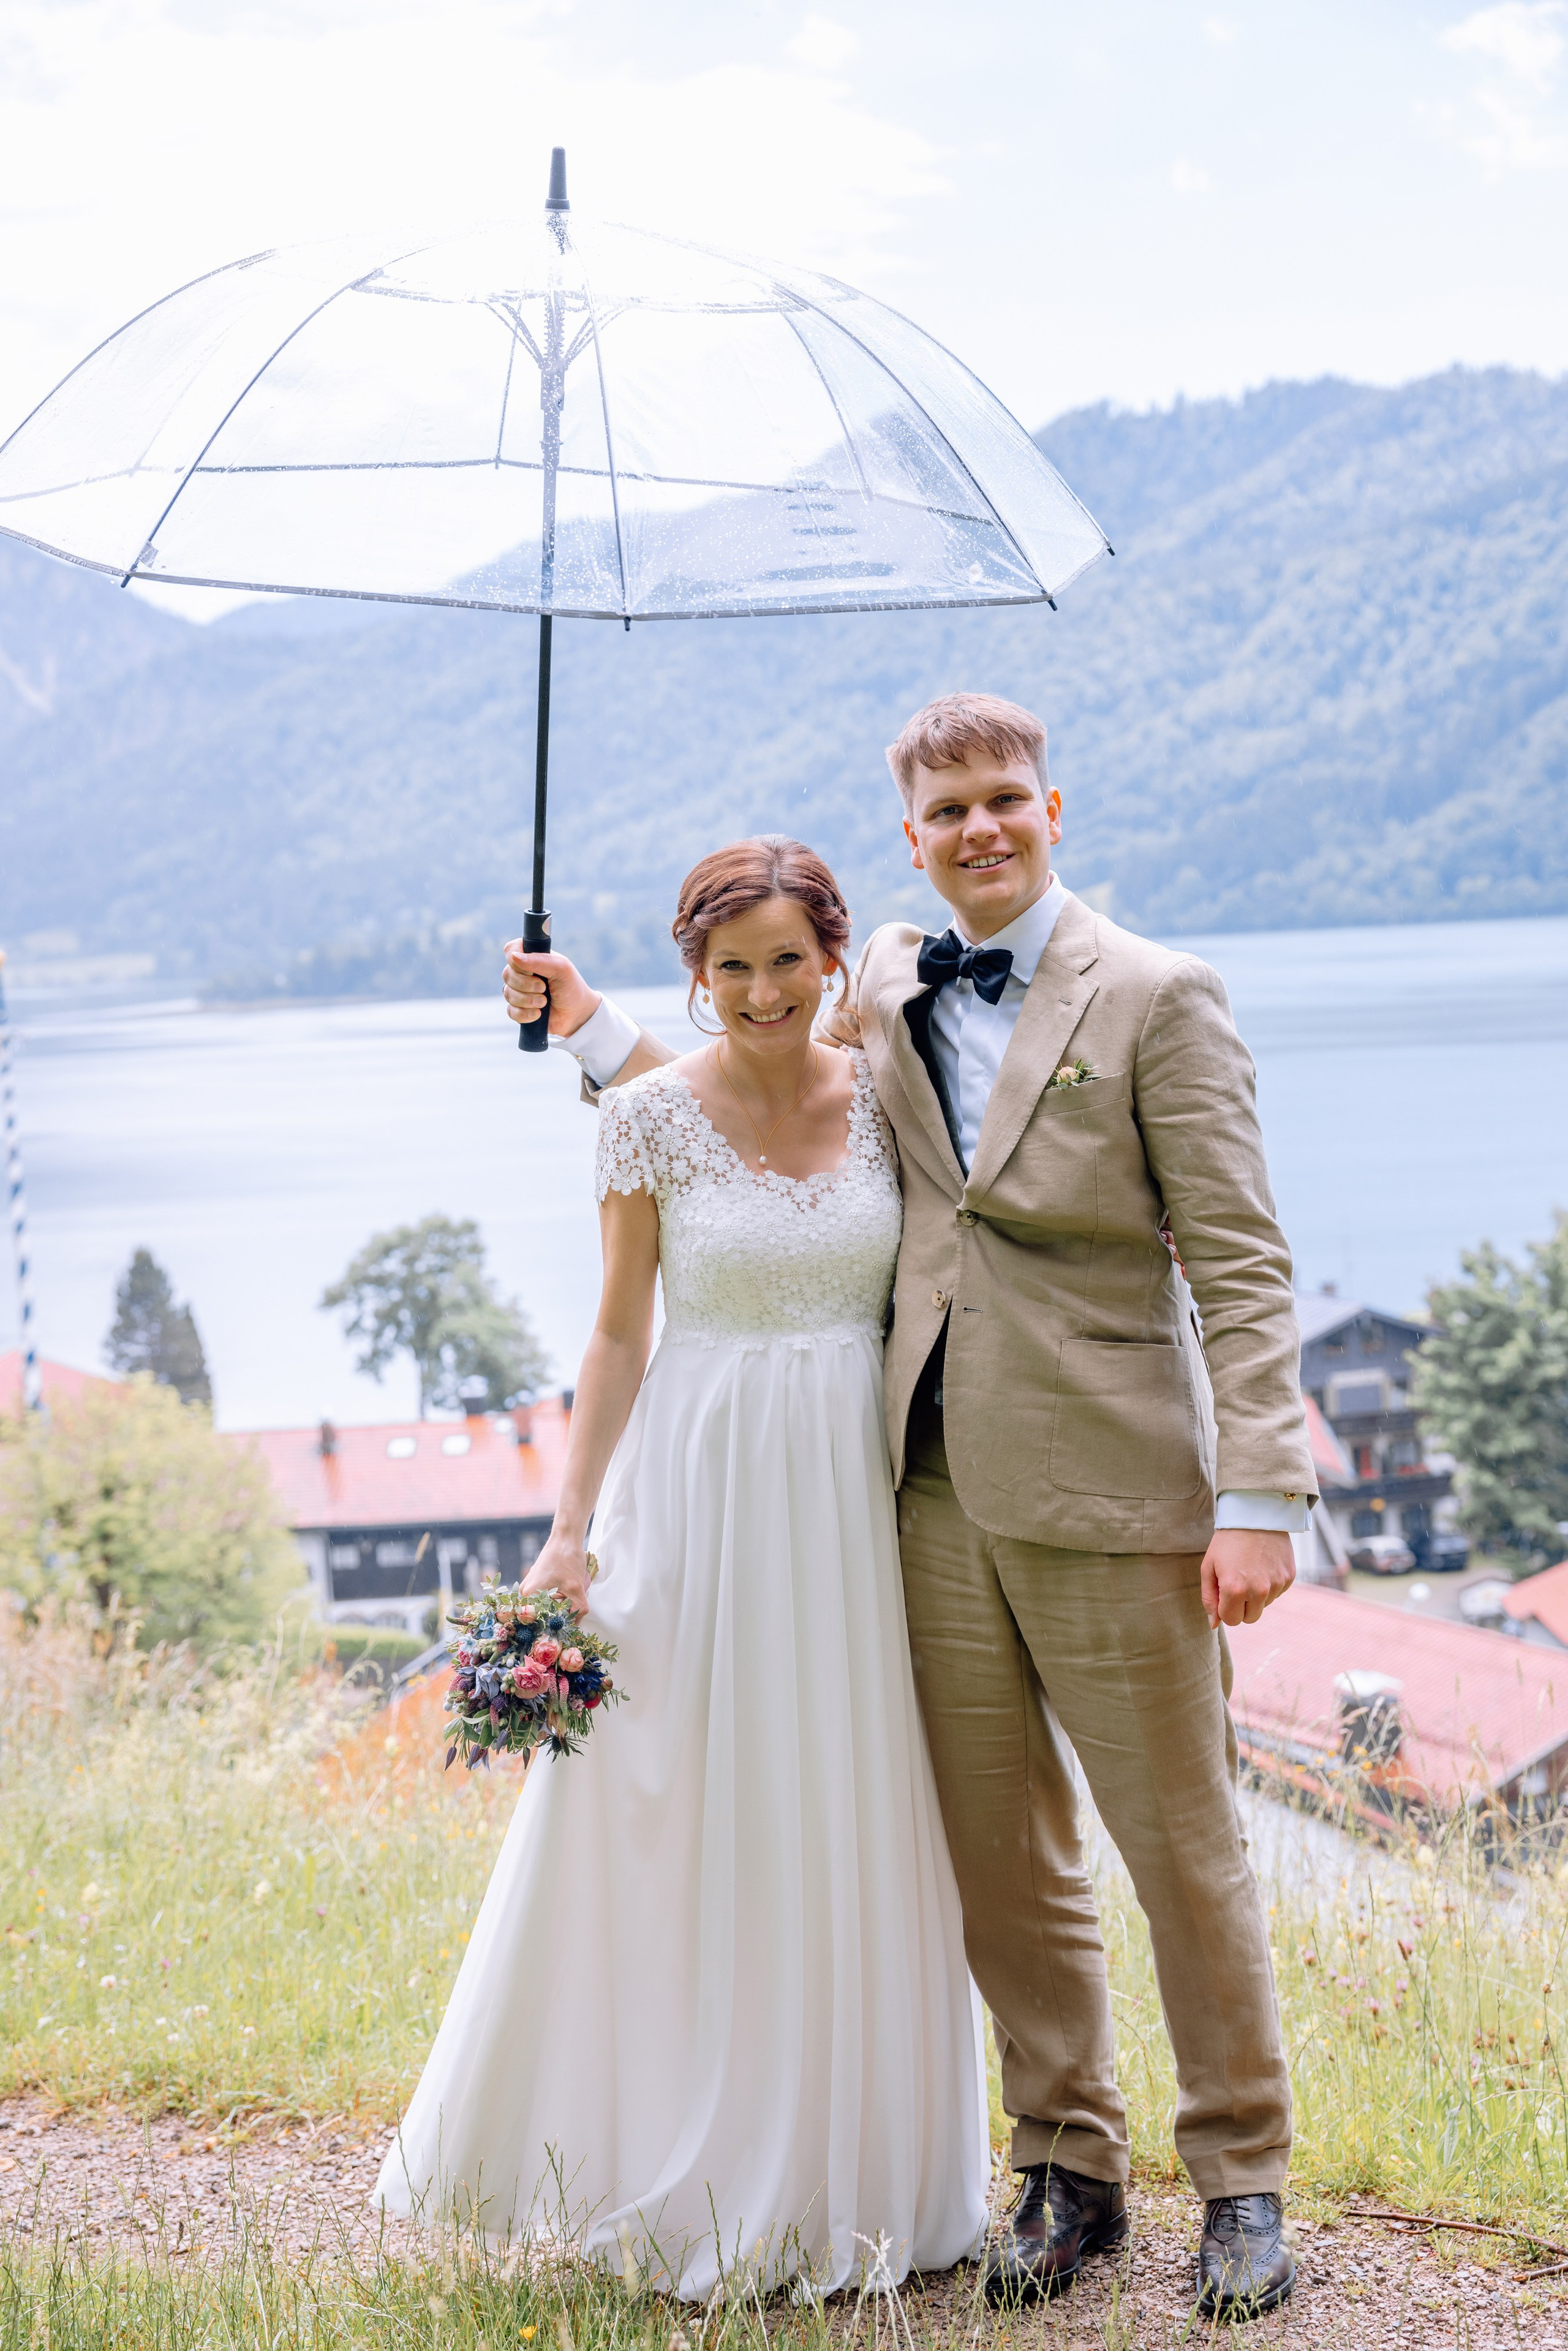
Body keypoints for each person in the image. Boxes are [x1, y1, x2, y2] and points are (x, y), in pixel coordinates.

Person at [504, 693, 1316, 2323]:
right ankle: (1068, 2168)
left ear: (1051, 807)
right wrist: (592, 1029)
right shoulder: (882, 973)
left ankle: (1240, 2177)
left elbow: (1239, 1257)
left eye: (1003, 797)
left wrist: (1257, 1494)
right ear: (911, 835)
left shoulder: (1159, 993)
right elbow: (749, 1101)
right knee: (1000, 1862)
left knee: (1180, 1849)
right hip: (920, 1494)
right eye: (946, 810)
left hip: (1113, 1488)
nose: (978, 828)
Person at [379, 838, 988, 2297]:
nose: (763, 992)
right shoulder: (646, 1118)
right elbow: (614, 1332)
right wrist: (567, 1525)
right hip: (700, 1488)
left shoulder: (891, 1096)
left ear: (831, 956)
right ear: (695, 973)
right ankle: (655, 2148)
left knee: (848, 1793)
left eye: (786, 961)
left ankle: (853, 2166)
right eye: (732, 967)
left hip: (854, 1496)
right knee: (672, 1797)